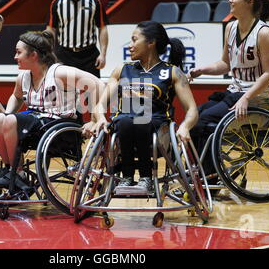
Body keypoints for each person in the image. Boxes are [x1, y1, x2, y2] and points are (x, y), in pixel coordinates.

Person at [84, 20, 198, 191]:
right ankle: (127, 177)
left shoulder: (172, 71)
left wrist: (185, 127)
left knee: (138, 120)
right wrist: (99, 118)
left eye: (134, 40)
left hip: (157, 130)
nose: (130, 46)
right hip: (123, 125)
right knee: (126, 121)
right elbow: (100, 105)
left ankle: (145, 176)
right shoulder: (122, 69)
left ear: (151, 43)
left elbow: (192, 110)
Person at [187, 0, 269, 183]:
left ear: (249, 2)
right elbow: (224, 64)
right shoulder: (230, 28)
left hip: (260, 98)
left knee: (206, 121)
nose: (230, 0)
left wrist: (247, 97)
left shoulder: (264, 33)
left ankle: (209, 179)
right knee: (194, 116)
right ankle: (197, 171)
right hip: (236, 92)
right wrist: (202, 70)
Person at [0, 30, 105, 189]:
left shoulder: (60, 73)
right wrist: (7, 113)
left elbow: (98, 84)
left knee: (10, 120)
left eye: (18, 52)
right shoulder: (23, 77)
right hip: (37, 123)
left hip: (60, 127)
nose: (15, 57)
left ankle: (16, 173)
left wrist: (94, 118)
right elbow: (16, 97)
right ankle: (11, 170)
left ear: (33, 55)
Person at [47, 0, 109, 78]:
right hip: (64, 55)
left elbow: (102, 28)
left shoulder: (94, 2)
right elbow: (51, 29)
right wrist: (49, 53)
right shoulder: (57, 3)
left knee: (92, 93)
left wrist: (103, 55)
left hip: (89, 56)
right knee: (66, 94)